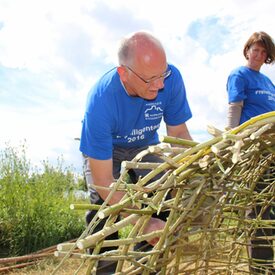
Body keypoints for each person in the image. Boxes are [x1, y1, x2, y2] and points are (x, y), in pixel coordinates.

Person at [79, 31, 193, 274]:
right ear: (124, 73)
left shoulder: (169, 79)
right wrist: (142, 221)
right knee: (103, 211)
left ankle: (148, 266)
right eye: (151, 79)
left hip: (143, 146)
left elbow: (179, 134)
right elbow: (104, 181)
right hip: (106, 150)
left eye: (163, 74)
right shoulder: (100, 102)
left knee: (163, 193)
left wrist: (194, 170)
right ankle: (105, 269)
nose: (160, 85)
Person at [226, 31, 275, 274]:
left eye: (264, 52)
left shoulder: (268, 83)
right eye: (255, 50)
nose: (259, 55)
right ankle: (261, 268)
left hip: (271, 150)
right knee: (259, 208)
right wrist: (231, 141)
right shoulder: (239, 75)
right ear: (247, 51)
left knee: (270, 206)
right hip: (254, 152)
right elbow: (235, 108)